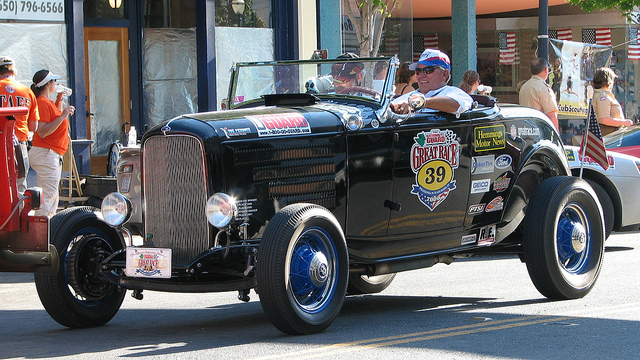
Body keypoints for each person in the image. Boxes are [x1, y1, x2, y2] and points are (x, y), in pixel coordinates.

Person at [28, 69, 75, 217]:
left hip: (48, 153)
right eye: (54, 81)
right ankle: (42, 236)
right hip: (46, 153)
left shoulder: (46, 102)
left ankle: (44, 233)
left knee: (50, 196)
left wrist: (60, 97)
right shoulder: (42, 103)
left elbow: (54, 114)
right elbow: (42, 131)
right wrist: (63, 115)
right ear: (49, 84)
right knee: (48, 199)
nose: (56, 83)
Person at [0, 56, 40, 195]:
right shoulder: (27, 92)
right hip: (19, 144)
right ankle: (18, 215)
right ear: (14, 71)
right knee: (19, 184)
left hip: (1, 142)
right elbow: (33, 126)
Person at [391, 49, 473, 116]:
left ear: (444, 74)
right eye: (418, 71)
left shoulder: (454, 93)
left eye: (428, 70)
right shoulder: (407, 97)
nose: (421, 75)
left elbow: (457, 105)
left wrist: (420, 103)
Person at [519, 57, 559, 130]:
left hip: (525, 131)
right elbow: (551, 114)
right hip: (540, 132)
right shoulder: (543, 88)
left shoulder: (524, 87)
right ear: (546, 70)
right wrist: (557, 137)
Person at [592, 67, 633, 136]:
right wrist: (625, 122)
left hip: (609, 132)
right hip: (607, 132)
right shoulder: (603, 97)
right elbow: (604, 119)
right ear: (609, 81)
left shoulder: (601, 95)